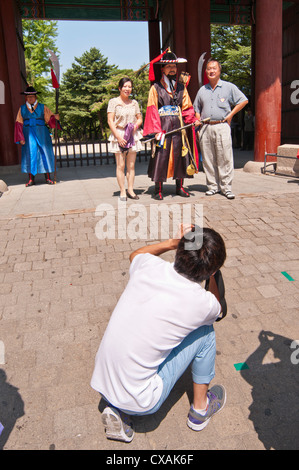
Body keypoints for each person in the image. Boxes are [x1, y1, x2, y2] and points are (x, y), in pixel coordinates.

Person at [90, 224, 227, 443]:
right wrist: (212, 273)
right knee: (206, 332)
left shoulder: (148, 265)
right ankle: (200, 410)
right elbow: (219, 310)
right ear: (211, 271)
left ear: (179, 251)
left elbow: (134, 254)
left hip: (102, 384)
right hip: (143, 401)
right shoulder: (202, 303)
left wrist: (173, 242)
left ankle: (118, 410)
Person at [143, 50, 200, 200]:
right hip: (162, 127)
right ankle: (158, 189)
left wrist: (192, 120)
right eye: (168, 67)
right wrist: (156, 130)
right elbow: (152, 109)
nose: (172, 69)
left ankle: (180, 187)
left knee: (180, 155)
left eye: (174, 66)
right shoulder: (155, 88)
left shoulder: (181, 88)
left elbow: (187, 107)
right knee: (161, 156)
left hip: (178, 125)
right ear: (162, 69)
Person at [193, 59, 248, 199]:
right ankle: (212, 186)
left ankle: (226, 187)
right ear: (206, 72)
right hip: (206, 127)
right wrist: (198, 122)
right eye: (209, 69)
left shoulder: (228, 87)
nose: (211, 71)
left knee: (225, 157)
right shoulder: (202, 90)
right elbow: (196, 108)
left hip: (222, 125)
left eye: (214, 68)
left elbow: (243, 100)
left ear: (219, 70)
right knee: (208, 158)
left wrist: (231, 115)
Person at [14, 86, 60, 187]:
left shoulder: (42, 107)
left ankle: (48, 177)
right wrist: (20, 137)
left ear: (35, 97)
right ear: (26, 98)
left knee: (45, 153)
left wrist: (55, 118)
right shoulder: (22, 109)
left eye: (32, 96)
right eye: (28, 96)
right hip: (27, 133)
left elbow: (50, 120)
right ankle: (31, 179)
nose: (30, 98)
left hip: (42, 133)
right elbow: (18, 124)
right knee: (30, 154)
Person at [107, 77, 143, 201]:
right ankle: (122, 190)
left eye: (129, 86)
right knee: (120, 165)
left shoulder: (134, 103)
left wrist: (135, 127)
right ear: (119, 88)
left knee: (131, 165)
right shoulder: (113, 102)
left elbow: (139, 118)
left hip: (132, 134)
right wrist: (118, 137)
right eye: (125, 86)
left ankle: (131, 190)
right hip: (119, 133)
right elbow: (110, 121)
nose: (127, 89)